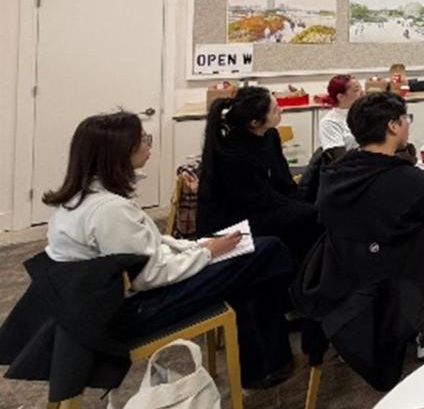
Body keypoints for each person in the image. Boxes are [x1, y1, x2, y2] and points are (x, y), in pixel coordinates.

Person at [41, 111, 296, 388]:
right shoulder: (109, 211)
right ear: (118, 151)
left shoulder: (78, 199)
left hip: (103, 305)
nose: (149, 146)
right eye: (142, 140)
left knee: (254, 268)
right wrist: (207, 253)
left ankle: (267, 365)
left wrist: (201, 246)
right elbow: (149, 275)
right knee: (267, 251)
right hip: (132, 311)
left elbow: (149, 247)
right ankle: (273, 354)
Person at [293, 91, 424, 387]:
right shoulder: (405, 181)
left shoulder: (334, 176)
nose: (408, 124)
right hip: (398, 282)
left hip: (348, 278)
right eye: (406, 119)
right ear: (393, 126)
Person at [197, 86, 321, 264]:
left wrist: (301, 202)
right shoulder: (233, 153)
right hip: (234, 221)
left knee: (313, 211)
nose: (281, 110)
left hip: (260, 204)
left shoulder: (270, 135)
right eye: (274, 110)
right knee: (310, 216)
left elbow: (283, 180)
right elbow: (258, 200)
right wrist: (302, 209)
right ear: (254, 122)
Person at [317, 74, 363, 159]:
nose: (362, 92)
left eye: (360, 88)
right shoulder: (329, 122)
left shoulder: (366, 113)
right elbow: (339, 159)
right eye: (356, 90)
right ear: (341, 97)